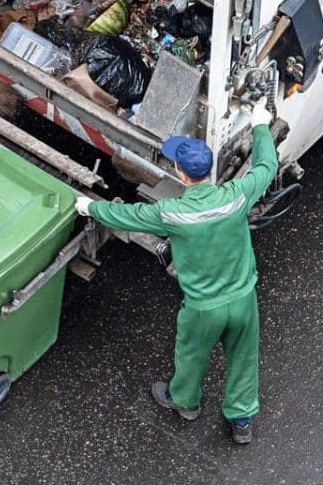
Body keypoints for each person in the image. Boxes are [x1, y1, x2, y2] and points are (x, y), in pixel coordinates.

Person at [75, 102, 278, 444]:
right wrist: (259, 126)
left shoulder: (173, 213)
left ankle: (185, 403)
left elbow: (129, 217)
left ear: (182, 174)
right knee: (244, 358)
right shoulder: (237, 196)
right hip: (243, 299)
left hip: (203, 307)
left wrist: (90, 207)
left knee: (191, 354)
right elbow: (267, 165)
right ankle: (242, 420)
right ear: (208, 170)